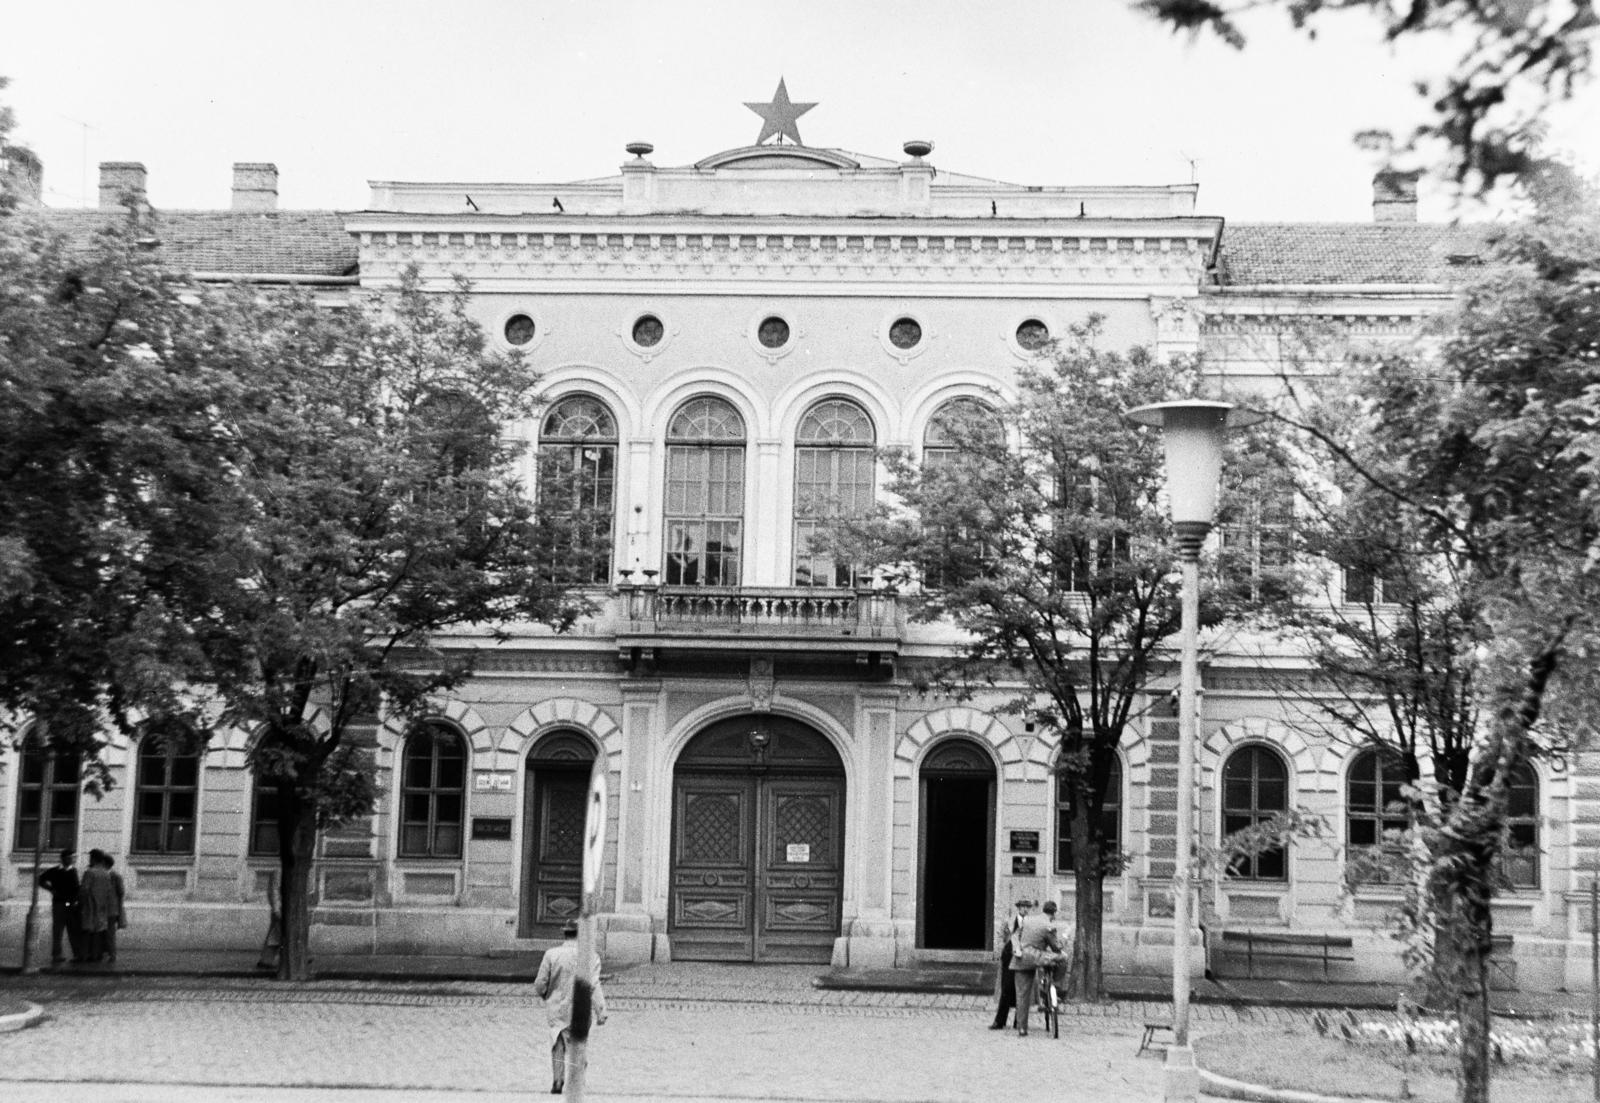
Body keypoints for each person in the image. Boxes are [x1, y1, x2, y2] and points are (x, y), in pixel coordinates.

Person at [533, 920, 607, 1095]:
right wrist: (600, 1010)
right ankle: (578, 1081)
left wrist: (545, 995)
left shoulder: (551, 954)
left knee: (557, 1043)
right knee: (578, 1045)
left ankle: (557, 1081)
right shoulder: (590, 956)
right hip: (580, 1008)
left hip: (556, 1008)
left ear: (564, 934)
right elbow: (593, 985)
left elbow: (539, 983)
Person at [1010, 900, 1065, 1037]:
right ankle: (1055, 987)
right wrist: (1065, 938)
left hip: (1021, 957)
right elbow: (1056, 948)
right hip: (1037, 957)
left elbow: (1015, 935)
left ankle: (1022, 1028)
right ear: (1053, 914)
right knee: (1063, 958)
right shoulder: (1049, 926)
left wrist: (1017, 948)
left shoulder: (1027, 920)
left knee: (1022, 995)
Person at [989, 898, 1032, 1029]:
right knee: (1006, 988)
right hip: (1009, 956)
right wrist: (998, 951)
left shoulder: (1030, 923)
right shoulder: (1009, 921)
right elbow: (1001, 936)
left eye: (1027, 907)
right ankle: (1000, 1021)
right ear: (1018, 908)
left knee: (1021, 989)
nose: (1025, 909)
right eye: (1023, 906)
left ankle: (1018, 1022)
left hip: (1023, 957)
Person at [37, 848, 82, 965]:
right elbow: (41, 879)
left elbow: (76, 889)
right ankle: (57, 954)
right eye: (68, 858)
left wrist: (76, 901)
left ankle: (77, 954)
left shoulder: (74, 871)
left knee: (73, 930)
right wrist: (51, 889)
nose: (71, 860)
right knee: (58, 930)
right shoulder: (55, 871)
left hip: (71, 905)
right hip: (59, 904)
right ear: (63, 859)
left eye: (72, 858)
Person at [78, 849, 118, 964]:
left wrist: (80, 902)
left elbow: (84, 889)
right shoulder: (106, 873)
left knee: (86, 931)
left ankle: (84, 955)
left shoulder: (90, 872)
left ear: (94, 859)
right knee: (98, 932)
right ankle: (96, 955)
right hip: (102, 906)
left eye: (90, 858)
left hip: (89, 906)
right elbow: (109, 891)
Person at [103, 853, 128, 963]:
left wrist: (119, 909)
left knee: (110, 933)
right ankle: (104, 953)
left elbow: (121, 892)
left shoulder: (115, 876)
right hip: (102, 908)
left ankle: (112, 955)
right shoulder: (102, 874)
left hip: (111, 909)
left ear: (105, 863)